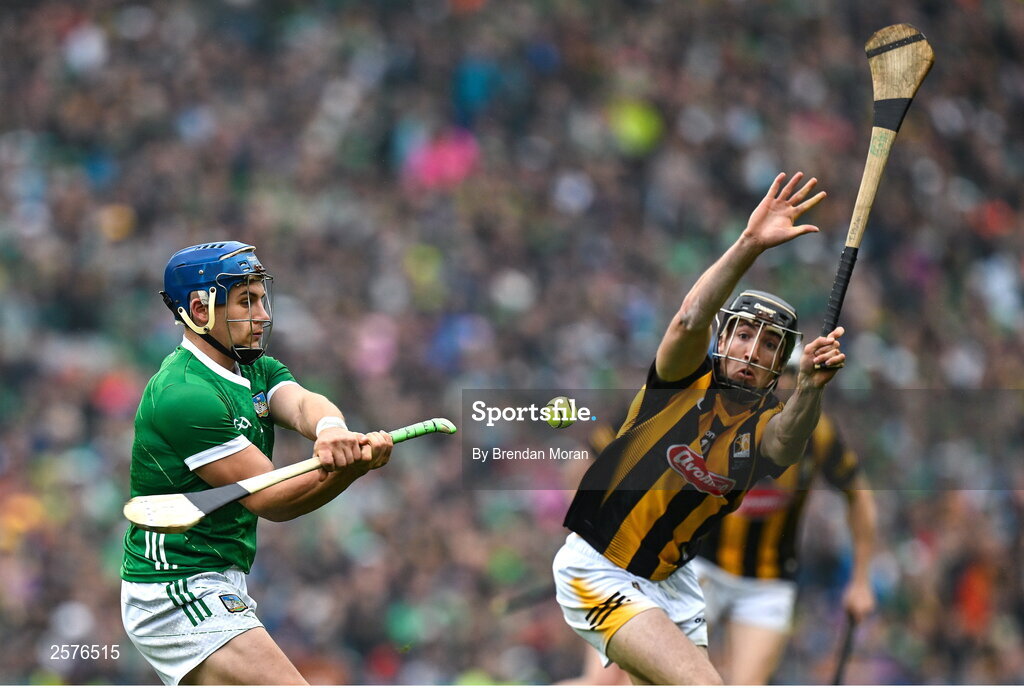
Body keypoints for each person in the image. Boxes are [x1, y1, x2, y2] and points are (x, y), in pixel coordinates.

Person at [552, 171, 845, 685]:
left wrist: (813, 388)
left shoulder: (763, 428)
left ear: (781, 363)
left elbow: (789, 440)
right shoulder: (682, 378)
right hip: (600, 569)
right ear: (723, 337)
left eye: (769, 344)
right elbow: (689, 319)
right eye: (744, 334)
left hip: (673, 583)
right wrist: (750, 244)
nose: (752, 352)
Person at [120, 241, 394, 685]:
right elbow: (273, 500)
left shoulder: (255, 370)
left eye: (262, 298)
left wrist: (330, 430)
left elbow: (303, 404)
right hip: (174, 589)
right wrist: (350, 469)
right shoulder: (184, 396)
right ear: (199, 308)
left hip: (218, 579)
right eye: (246, 301)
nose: (263, 314)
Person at [692, 364, 877, 684]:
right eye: (777, 373)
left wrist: (861, 580)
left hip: (768, 584)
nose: (784, 383)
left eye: (793, 374)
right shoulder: (717, 415)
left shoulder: (820, 435)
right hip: (702, 567)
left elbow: (858, 495)